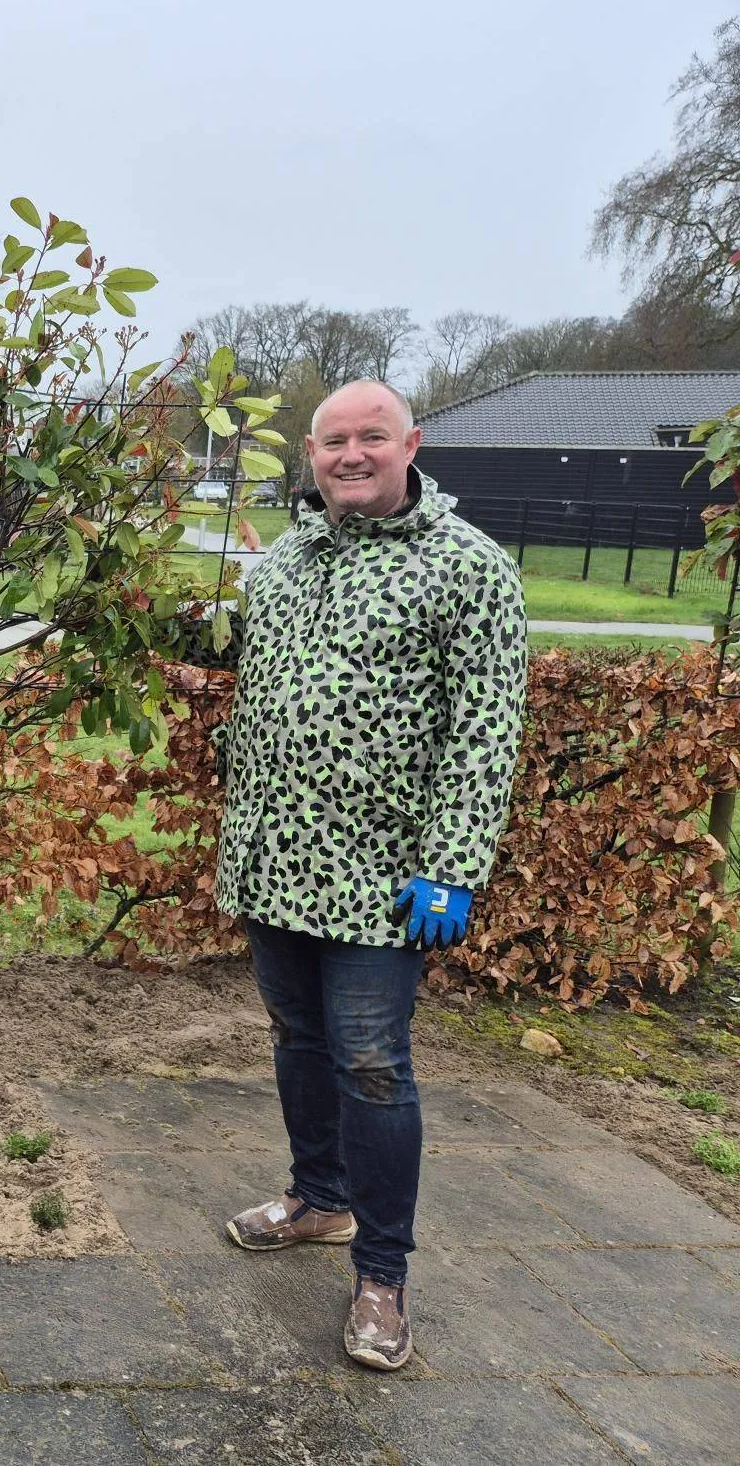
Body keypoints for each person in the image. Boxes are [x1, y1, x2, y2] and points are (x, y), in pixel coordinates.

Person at [180, 378, 528, 1369]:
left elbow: (483, 732)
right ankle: (317, 1201)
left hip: (384, 879)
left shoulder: (468, 569)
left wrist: (450, 868)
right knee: (297, 1039)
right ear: (310, 454)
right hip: (276, 860)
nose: (349, 455)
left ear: (408, 443)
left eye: (368, 437)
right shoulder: (285, 561)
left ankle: (382, 1279)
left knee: (370, 1064)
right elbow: (265, 688)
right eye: (332, 441)